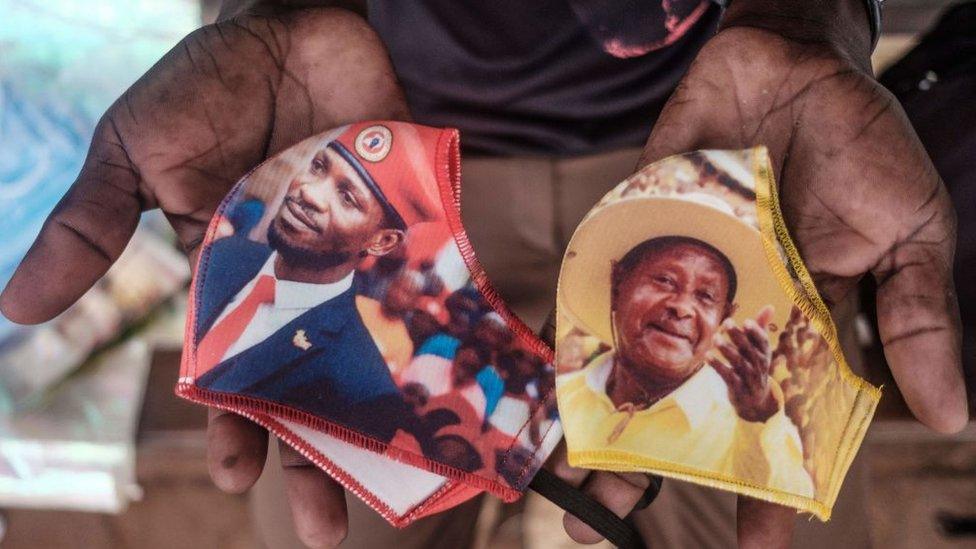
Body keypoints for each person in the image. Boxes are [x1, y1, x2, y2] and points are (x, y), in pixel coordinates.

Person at [0, 1, 968, 548]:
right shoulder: (330, 231)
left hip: (711, 148)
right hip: (385, 143)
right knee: (333, 524)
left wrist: (803, 26)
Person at [193, 127, 440, 442]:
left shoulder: (362, 387)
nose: (310, 192)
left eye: (347, 197)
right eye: (318, 167)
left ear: (382, 241)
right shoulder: (226, 254)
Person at [558, 236, 814, 496]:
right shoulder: (564, 396)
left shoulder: (748, 426)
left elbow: (789, 493)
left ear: (724, 318)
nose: (682, 308)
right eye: (665, 281)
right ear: (618, 286)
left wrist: (757, 413)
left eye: (705, 296)